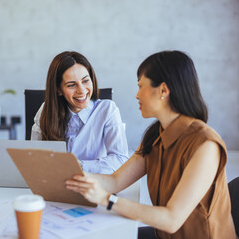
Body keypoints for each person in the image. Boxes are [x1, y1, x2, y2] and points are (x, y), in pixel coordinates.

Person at [66, 50, 236, 238]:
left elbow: (171, 220)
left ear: (163, 90)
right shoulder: (155, 136)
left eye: (141, 86)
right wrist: (66, 174)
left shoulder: (205, 145)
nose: (137, 95)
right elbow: (115, 181)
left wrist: (107, 199)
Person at [31, 51, 129, 174]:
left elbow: (120, 160)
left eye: (85, 81)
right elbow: (34, 160)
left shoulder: (107, 110)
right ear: (58, 90)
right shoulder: (46, 111)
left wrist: (76, 166)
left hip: (95, 186)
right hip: (55, 187)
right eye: (71, 85)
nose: (82, 91)